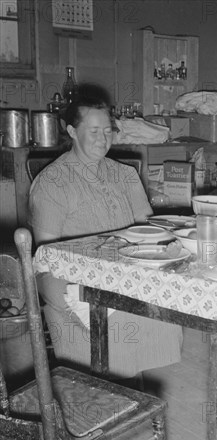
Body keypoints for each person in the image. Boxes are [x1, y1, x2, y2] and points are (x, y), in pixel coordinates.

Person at [29, 93, 183, 385]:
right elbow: (47, 256)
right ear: (72, 132)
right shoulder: (52, 183)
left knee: (166, 298)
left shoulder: (124, 174)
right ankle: (107, 391)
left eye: (108, 130)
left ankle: (129, 386)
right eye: (94, 131)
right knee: (126, 314)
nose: (103, 139)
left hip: (122, 267)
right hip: (68, 276)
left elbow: (148, 228)